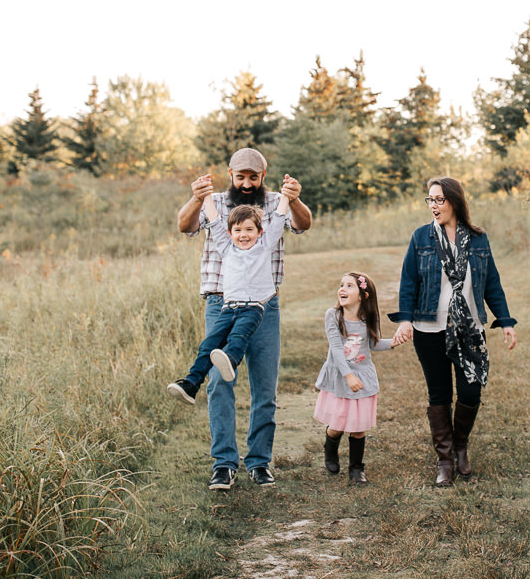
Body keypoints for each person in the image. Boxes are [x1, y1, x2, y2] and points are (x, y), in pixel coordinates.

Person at [177, 148, 313, 492]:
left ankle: (259, 462)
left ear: (263, 176)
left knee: (264, 387)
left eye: (254, 177)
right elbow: (184, 225)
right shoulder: (215, 201)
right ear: (231, 174)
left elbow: (303, 223)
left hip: (264, 306)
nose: (247, 183)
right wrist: (196, 198)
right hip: (220, 304)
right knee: (220, 385)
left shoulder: (277, 202)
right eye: (241, 177)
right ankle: (223, 464)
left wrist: (295, 199)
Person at [389, 176, 517, 488]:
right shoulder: (421, 238)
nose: (433, 206)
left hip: (469, 327)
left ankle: (461, 446)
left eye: (439, 200)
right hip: (429, 327)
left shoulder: (477, 238)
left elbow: (491, 283)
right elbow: (409, 282)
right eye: (429, 200)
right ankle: (445, 459)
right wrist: (405, 320)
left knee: (471, 390)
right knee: (440, 393)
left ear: (454, 202)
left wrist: (506, 320)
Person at [166, 200, 291, 403]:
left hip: (252, 307)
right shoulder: (226, 248)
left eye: (250, 229)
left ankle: (230, 361)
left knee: (238, 336)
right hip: (227, 308)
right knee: (208, 345)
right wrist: (206, 196)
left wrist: (285, 196)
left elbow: (277, 221)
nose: (244, 234)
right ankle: (191, 384)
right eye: (238, 230)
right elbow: (214, 221)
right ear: (230, 233)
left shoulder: (264, 246)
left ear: (260, 231)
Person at [314, 271, 395, 486]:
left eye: (349, 286)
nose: (342, 289)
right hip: (342, 376)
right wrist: (348, 376)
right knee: (338, 423)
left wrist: (394, 341)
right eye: (341, 284)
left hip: (362, 375)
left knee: (359, 428)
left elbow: (374, 344)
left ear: (363, 296)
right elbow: (337, 349)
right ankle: (330, 450)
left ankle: (357, 468)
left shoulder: (369, 318)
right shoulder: (333, 316)